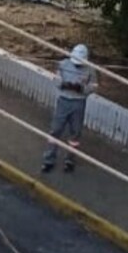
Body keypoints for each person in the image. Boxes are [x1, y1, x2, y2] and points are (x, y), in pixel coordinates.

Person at [41, 43, 98, 173]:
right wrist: (64, 84)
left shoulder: (90, 69)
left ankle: (70, 160)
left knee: (75, 133)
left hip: (78, 103)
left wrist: (82, 88)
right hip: (63, 101)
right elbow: (56, 80)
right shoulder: (63, 64)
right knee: (55, 131)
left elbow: (94, 86)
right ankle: (48, 160)